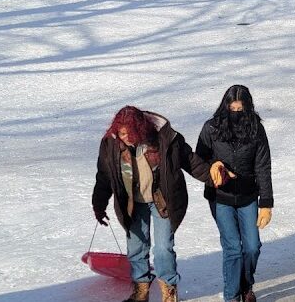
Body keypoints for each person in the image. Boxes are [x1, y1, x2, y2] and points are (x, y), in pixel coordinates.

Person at [92, 106, 214, 302]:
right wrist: (98, 205)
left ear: (140, 129)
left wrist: (213, 177)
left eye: (129, 133)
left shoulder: (163, 140)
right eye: (121, 133)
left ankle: (169, 291)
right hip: (132, 203)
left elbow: (190, 161)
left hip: (161, 199)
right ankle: (141, 291)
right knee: (136, 248)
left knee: (163, 248)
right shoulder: (110, 145)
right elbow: (104, 177)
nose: (125, 137)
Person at [195, 85, 274, 302]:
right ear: (225, 105)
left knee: (252, 247)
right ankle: (231, 296)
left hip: (248, 196)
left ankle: (245, 285)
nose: (236, 113)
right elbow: (198, 158)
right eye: (232, 108)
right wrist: (214, 165)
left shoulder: (256, 130)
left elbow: (263, 166)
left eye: (240, 109)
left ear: (247, 108)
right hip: (220, 198)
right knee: (232, 249)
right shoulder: (211, 128)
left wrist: (266, 203)